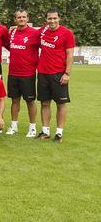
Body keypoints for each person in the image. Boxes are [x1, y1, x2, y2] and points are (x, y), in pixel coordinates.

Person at [36, 9, 75, 143]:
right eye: (49, 19)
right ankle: (45, 131)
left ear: (59, 18)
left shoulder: (67, 33)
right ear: (46, 20)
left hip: (59, 74)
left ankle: (59, 133)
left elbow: (70, 54)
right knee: (45, 103)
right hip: (42, 73)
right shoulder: (42, 31)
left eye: (54, 18)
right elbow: (29, 31)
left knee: (61, 104)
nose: (52, 21)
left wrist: (67, 73)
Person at [5, 9, 40, 137]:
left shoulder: (34, 33)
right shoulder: (12, 32)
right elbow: (10, 46)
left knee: (30, 101)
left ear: (27, 18)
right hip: (13, 73)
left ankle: (32, 128)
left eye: (23, 17)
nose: (21, 19)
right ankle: (14, 126)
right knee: (15, 101)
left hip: (28, 74)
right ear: (15, 19)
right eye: (19, 17)